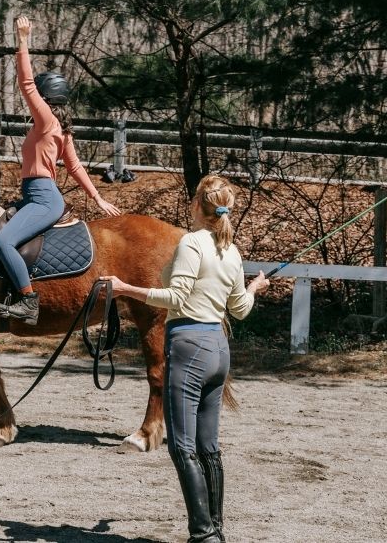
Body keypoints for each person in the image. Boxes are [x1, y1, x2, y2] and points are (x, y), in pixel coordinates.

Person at [101, 175, 269, 543]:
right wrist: (254, 287)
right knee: (208, 446)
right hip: (217, 351)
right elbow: (239, 309)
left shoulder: (192, 243)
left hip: (189, 347)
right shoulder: (232, 251)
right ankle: (216, 531)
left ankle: (203, 533)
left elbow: (176, 297)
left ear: (196, 206)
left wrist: (125, 288)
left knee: (182, 446)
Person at [0, 16, 122, 326]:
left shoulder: (45, 120)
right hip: (36, 195)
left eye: (39, 96)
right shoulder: (60, 128)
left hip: (42, 197)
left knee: (3, 242)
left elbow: (25, 84)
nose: (33, 100)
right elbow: (75, 166)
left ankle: (28, 301)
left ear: (46, 98)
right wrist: (97, 198)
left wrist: (23, 39)